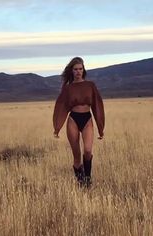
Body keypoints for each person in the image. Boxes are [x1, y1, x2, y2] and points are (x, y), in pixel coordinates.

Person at [53, 57, 105, 187]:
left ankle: (87, 178)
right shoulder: (68, 88)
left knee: (87, 151)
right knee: (76, 156)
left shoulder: (90, 85)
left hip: (87, 118)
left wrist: (100, 127)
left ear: (83, 70)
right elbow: (61, 106)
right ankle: (81, 183)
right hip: (73, 120)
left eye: (80, 69)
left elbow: (97, 105)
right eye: (75, 69)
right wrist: (57, 127)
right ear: (71, 71)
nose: (78, 71)